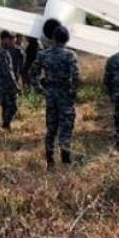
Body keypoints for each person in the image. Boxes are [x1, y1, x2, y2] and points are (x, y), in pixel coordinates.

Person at [34, 25, 79, 168]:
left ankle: (50, 160)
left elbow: (32, 73)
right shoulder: (70, 55)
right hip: (65, 96)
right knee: (66, 128)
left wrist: (39, 89)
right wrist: (73, 91)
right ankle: (65, 161)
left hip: (50, 95)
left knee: (51, 128)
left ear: (53, 39)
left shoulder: (43, 54)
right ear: (66, 39)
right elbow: (76, 75)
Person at [0, 31, 20, 130]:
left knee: (5, 106)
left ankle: (6, 127)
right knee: (13, 107)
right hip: (7, 86)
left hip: (2, 85)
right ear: (5, 40)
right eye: (12, 41)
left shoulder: (2, 52)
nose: (14, 44)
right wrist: (16, 86)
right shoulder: (2, 53)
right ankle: (6, 124)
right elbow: (8, 72)